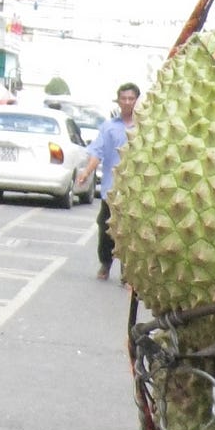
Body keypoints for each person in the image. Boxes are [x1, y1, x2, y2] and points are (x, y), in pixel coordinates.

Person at [76, 82, 140, 281]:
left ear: (137, 101)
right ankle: (105, 263)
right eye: (124, 98)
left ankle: (127, 272)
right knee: (106, 229)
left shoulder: (145, 127)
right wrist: (86, 172)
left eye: (131, 98)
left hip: (135, 191)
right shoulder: (109, 127)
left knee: (130, 232)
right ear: (118, 101)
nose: (128, 102)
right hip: (111, 189)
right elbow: (98, 153)